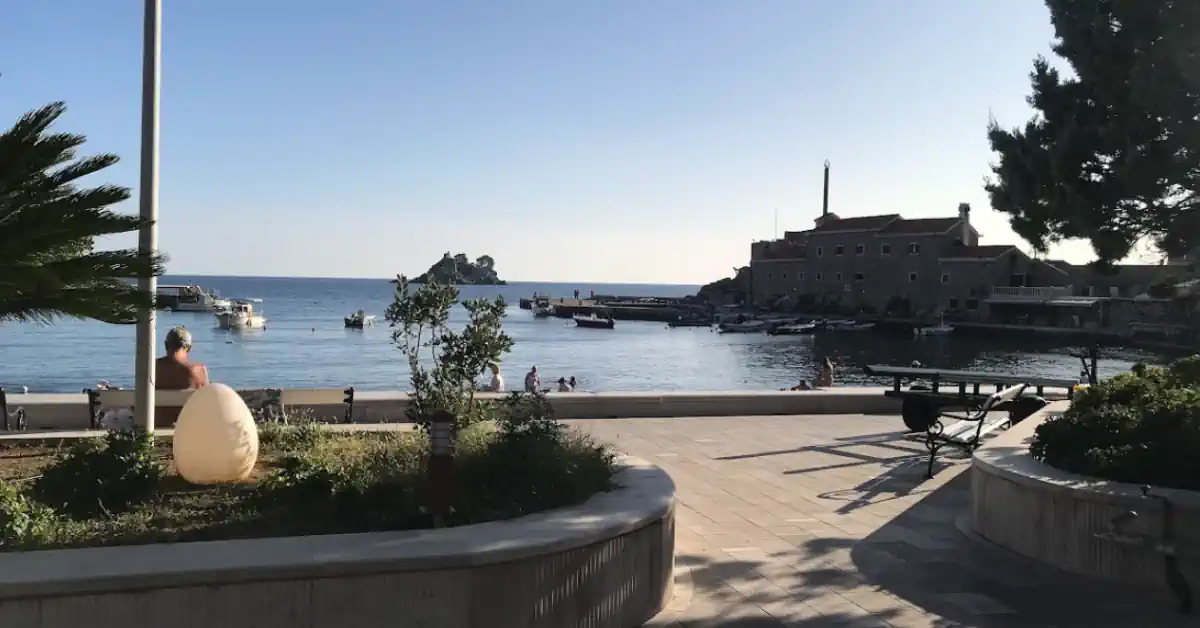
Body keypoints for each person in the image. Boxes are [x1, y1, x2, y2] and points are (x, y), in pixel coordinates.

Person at [156, 326, 209, 391]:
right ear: (188, 348)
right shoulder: (198, 370)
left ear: (166, 345)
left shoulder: (151, 368)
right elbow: (207, 397)